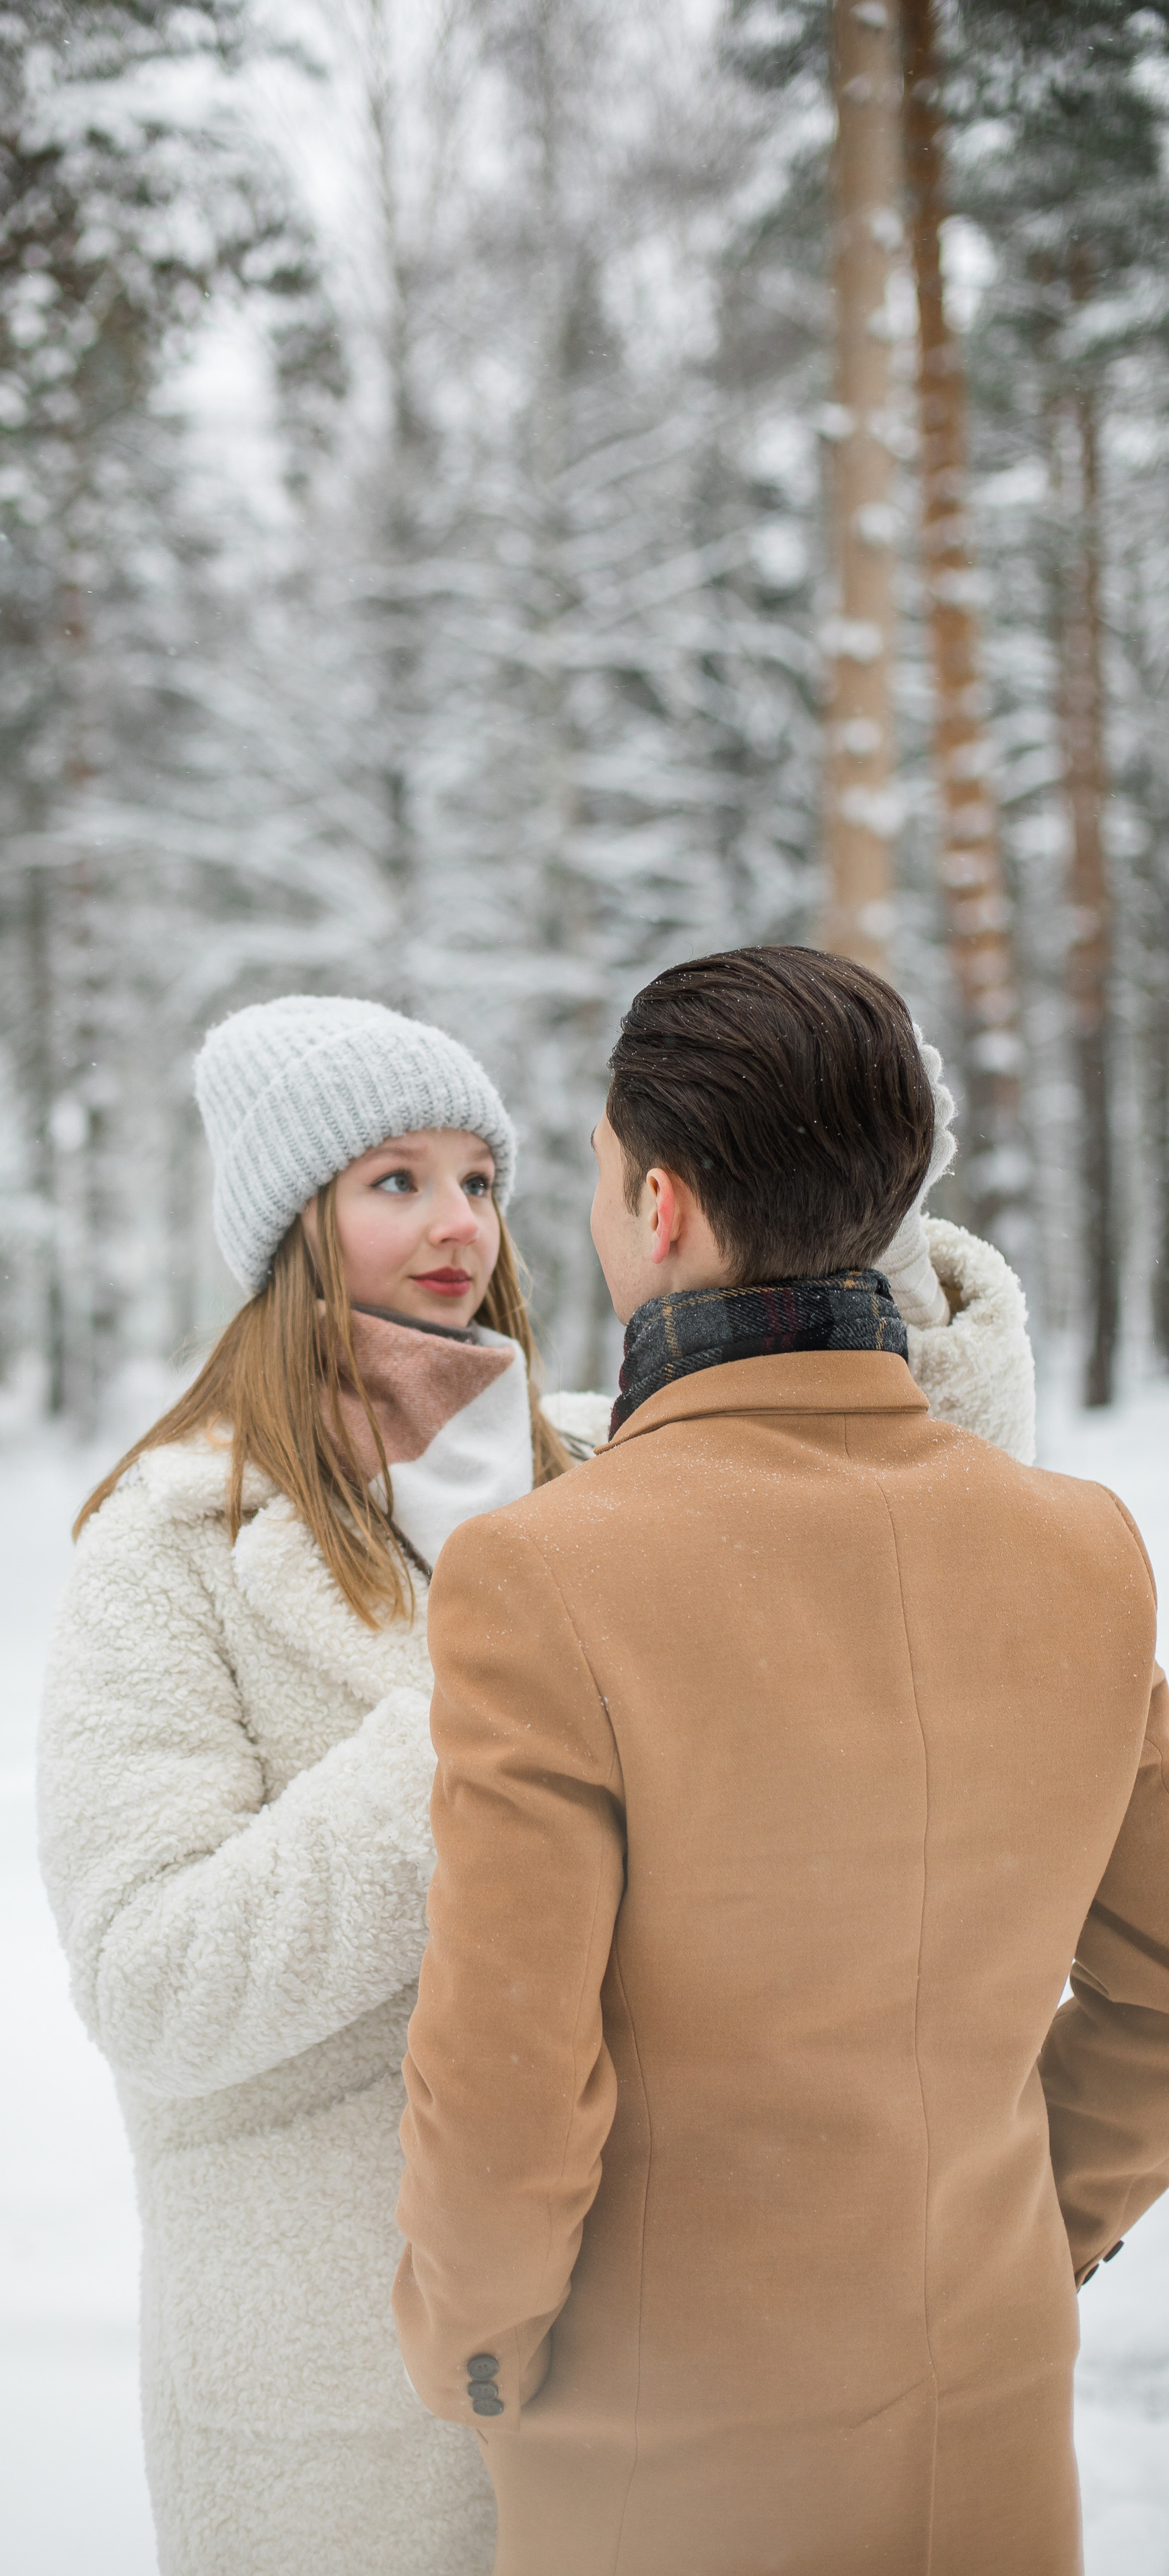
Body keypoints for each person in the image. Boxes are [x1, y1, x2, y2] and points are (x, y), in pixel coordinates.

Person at [37, 989, 1036, 2576]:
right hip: (335, 2381)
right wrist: (484, 1712)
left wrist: (874, 1208)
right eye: (393, 1182)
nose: (454, 1224)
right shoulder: (165, 1552)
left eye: (481, 1180)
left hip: (630, 2344)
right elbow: (154, 1984)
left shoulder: (593, 1460)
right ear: (291, 1225)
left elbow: (900, 1461)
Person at [392, 947, 1169, 2576]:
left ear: (657, 1206)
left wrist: (476, 2355)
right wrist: (1039, 2231)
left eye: (601, 1182)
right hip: (986, 2427)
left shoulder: (546, 1577)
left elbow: (507, 2079)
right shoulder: (1085, 1551)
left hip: (661, 2462)